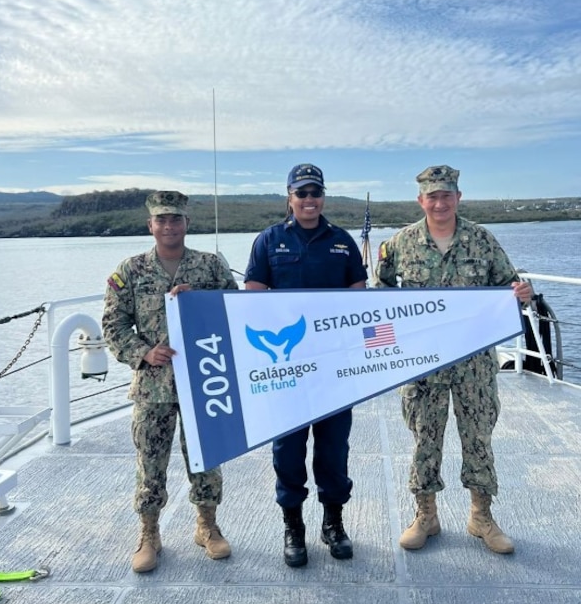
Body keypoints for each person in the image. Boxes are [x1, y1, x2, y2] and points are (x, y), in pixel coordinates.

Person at [375, 165, 533, 555]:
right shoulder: (400, 244)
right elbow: (379, 294)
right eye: (432, 196)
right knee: (424, 441)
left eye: (447, 195)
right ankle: (425, 515)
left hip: (473, 365)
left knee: (478, 438)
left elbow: (508, 286)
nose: (440, 202)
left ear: (458, 198)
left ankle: (481, 517)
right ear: (421, 200)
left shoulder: (482, 241)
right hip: (422, 366)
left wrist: (522, 293)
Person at [102, 190, 239, 573]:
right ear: (151, 225)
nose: (168, 225)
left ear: (186, 224)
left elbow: (237, 310)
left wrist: (202, 301)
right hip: (153, 387)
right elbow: (113, 324)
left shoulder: (210, 267)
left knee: (206, 457)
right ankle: (149, 534)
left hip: (204, 380)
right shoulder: (130, 270)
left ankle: (207, 526)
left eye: (175, 219)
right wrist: (143, 352)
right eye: (161, 220)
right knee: (150, 462)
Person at [244, 163, 367, 567]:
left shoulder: (342, 242)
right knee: (289, 451)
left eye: (315, 193)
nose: (309, 200)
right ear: (289, 197)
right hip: (288, 368)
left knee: (333, 450)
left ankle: (333, 522)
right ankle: (293, 525)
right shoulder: (269, 241)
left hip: (334, 368)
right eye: (302, 193)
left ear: (323, 197)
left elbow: (359, 300)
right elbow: (254, 300)